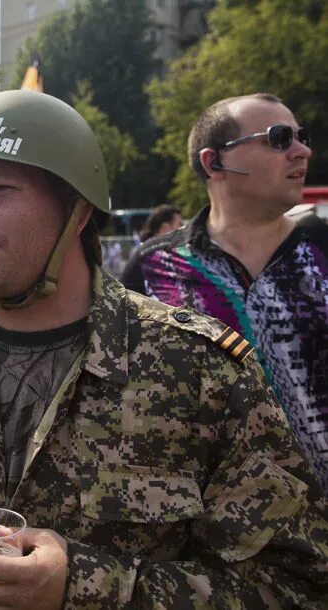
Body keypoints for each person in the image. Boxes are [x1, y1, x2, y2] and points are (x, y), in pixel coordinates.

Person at [0, 90, 328, 608]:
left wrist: (84, 586)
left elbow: (293, 585)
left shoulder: (198, 371)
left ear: (77, 210)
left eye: (0, 188)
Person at [121, 93, 327, 492]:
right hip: (209, 536)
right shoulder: (152, 269)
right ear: (214, 162)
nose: (302, 151)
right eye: (280, 138)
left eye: (303, 137)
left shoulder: (322, 251)